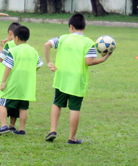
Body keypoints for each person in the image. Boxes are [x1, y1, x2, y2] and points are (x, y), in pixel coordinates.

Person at [43, 13, 110, 144]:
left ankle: (52, 130)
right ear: (84, 28)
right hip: (77, 81)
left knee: (57, 103)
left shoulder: (63, 38)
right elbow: (88, 62)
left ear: (71, 26)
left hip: (62, 78)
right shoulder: (89, 43)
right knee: (75, 108)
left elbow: (47, 45)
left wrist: (49, 62)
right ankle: (72, 138)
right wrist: (102, 59)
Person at [0, 25, 44, 136]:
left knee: (1, 102)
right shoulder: (33, 51)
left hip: (14, 83)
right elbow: (39, 64)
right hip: (27, 84)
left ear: (16, 38)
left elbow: (8, 66)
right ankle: (21, 129)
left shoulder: (13, 51)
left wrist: (3, 81)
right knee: (23, 107)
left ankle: (4, 126)